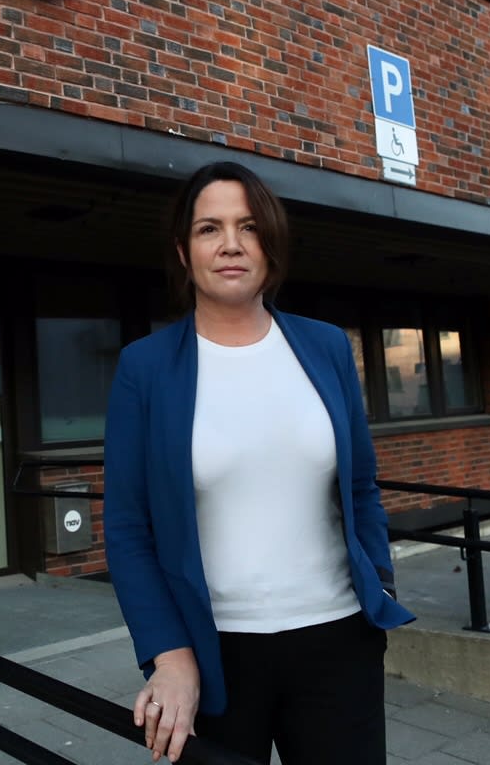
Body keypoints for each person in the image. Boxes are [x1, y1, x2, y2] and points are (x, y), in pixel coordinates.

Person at [103, 161, 414, 765]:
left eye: (248, 227)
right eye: (209, 229)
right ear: (184, 251)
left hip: (339, 641)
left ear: (271, 243)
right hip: (213, 655)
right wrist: (170, 655)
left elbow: (360, 485)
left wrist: (380, 579)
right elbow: (127, 527)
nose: (231, 245)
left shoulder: (325, 345)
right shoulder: (145, 367)